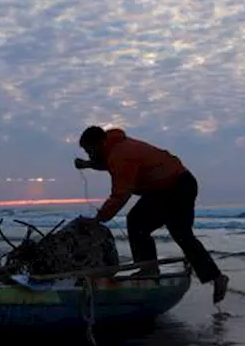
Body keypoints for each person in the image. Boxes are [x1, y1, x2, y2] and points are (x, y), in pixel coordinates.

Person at [74, 125, 229, 303]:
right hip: (171, 184)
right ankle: (215, 277)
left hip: (175, 186)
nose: (89, 155)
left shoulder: (121, 154)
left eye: (89, 151)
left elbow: (120, 194)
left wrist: (98, 219)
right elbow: (105, 162)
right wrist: (88, 165)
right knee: (178, 233)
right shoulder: (115, 148)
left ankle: (149, 270)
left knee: (140, 223)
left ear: (99, 143)